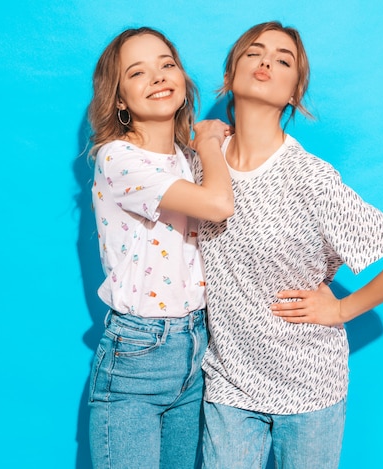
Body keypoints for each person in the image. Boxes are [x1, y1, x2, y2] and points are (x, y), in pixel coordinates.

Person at [192, 21, 383, 468]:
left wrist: (341, 309)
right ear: (229, 76)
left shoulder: (312, 179)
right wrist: (205, 142)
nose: (266, 61)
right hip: (228, 383)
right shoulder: (199, 162)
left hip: (309, 386)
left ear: (293, 95)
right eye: (254, 52)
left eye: (283, 60)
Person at [86, 27, 233, 469]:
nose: (157, 76)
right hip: (138, 354)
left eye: (166, 64)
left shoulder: (186, 161)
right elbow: (219, 204)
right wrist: (210, 142)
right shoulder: (117, 158)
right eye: (138, 72)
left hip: (196, 343)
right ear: (119, 100)